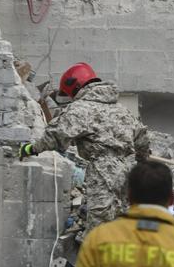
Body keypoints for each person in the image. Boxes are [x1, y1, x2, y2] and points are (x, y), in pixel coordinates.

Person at [19, 63, 150, 230]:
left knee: (100, 225)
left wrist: (31, 148)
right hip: (128, 172)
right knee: (123, 221)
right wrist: (141, 162)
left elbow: (56, 134)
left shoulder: (81, 109)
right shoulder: (121, 109)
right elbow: (142, 139)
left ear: (77, 87)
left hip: (103, 172)